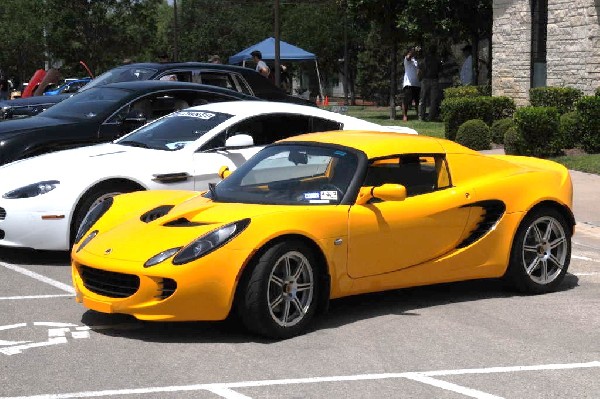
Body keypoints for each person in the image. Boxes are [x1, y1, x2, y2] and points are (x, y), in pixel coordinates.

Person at [418, 44, 441, 121]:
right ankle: (430, 116)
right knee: (433, 100)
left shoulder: (425, 59)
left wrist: (419, 78)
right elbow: (440, 70)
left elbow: (419, 70)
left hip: (426, 80)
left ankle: (421, 116)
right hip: (433, 80)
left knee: (423, 99)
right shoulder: (436, 60)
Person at [401, 47, 421, 122]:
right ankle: (405, 115)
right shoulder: (407, 60)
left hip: (417, 84)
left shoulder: (416, 61)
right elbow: (409, 56)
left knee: (417, 101)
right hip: (408, 84)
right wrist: (414, 50)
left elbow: (419, 71)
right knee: (406, 101)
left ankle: (418, 115)